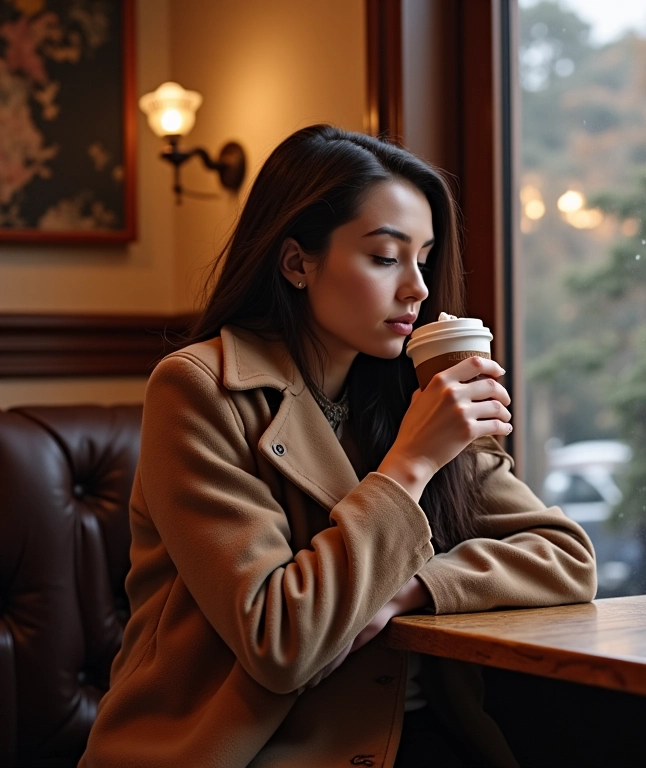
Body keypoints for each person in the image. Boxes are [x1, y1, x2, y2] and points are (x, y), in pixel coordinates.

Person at [80, 124, 597, 768]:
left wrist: (414, 588)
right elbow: (281, 641)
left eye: (424, 258)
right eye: (385, 257)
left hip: (427, 734)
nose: (418, 288)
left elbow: (565, 558)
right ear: (298, 262)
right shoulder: (199, 389)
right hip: (253, 750)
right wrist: (411, 462)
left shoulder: (413, 389)